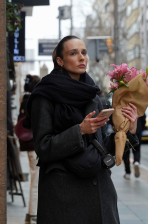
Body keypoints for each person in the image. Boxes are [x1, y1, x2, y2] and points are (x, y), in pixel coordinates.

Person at [26, 36, 139, 224]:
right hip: (64, 196)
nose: (81, 58)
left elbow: (101, 146)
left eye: (84, 53)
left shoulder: (92, 94)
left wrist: (128, 131)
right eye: (73, 53)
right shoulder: (44, 95)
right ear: (60, 61)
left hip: (100, 192)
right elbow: (43, 147)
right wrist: (80, 131)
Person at [16, 74, 40, 224]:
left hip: (29, 146)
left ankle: (31, 214)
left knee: (34, 179)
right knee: (36, 181)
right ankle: (32, 214)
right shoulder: (34, 101)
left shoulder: (23, 100)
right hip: (35, 145)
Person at [123, 114, 146, 179]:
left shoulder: (121, 105)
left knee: (125, 153)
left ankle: (127, 172)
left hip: (124, 131)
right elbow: (143, 119)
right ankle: (136, 162)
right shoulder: (138, 105)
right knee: (137, 150)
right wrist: (141, 128)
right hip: (137, 130)